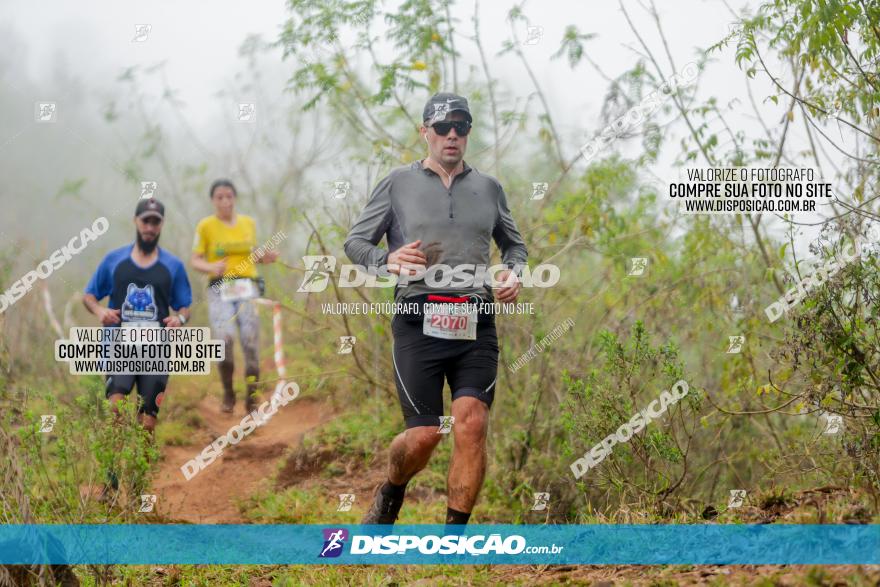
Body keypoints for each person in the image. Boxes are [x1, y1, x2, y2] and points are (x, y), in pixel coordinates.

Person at [344, 92, 528, 526]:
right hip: (418, 319)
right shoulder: (397, 184)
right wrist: (385, 262)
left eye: (460, 127)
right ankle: (391, 492)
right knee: (425, 434)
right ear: (424, 132)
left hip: (475, 321)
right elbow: (356, 243)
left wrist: (513, 273)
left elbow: (514, 246)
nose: (451, 136)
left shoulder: (489, 188)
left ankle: (453, 542)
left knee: (471, 423)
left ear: (468, 133)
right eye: (442, 127)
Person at [83, 197, 192, 435]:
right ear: (136, 221)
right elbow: (89, 295)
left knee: (147, 425)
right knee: (115, 410)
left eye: (155, 222)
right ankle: (113, 472)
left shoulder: (173, 266)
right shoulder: (114, 261)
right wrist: (100, 310)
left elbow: (185, 306)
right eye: (146, 221)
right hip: (119, 347)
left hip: (156, 351)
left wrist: (179, 319)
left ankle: (139, 473)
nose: (150, 227)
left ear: (161, 225)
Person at [191, 179, 278, 413]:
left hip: (247, 286)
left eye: (229, 196)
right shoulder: (205, 226)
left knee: (250, 341)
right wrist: (210, 267)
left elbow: (253, 254)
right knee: (224, 340)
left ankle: (252, 398)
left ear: (235, 198)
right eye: (220, 197)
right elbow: (195, 259)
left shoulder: (248, 223)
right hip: (219, 288)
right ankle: (229, 393)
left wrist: (266, 256)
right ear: (213, 200)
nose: (225, 201)